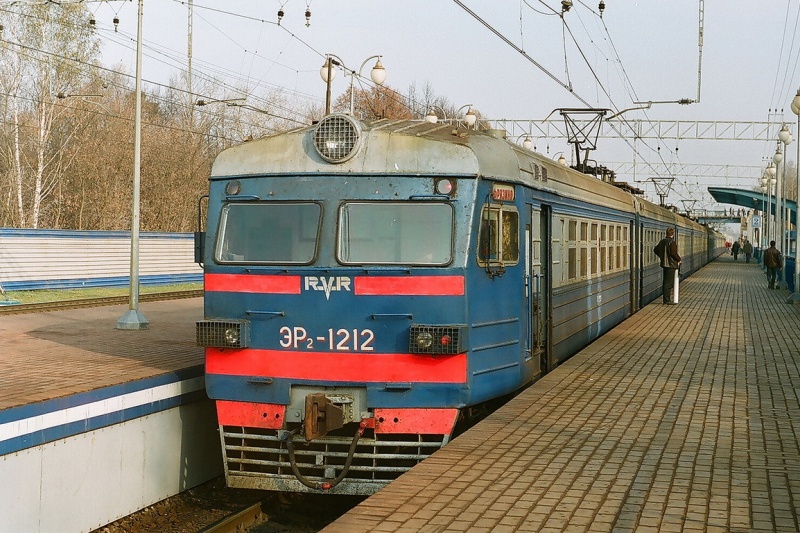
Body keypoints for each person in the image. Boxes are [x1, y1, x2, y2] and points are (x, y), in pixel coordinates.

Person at [654, 227, 682, 304]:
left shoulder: (662, 241)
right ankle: (667, 300)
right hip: (671, 265)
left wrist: (662, 257)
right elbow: (673, 253)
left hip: (665, 264)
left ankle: (666, 299)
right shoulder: (671, 242)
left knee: (666, 281)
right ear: (673, 234)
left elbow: (655, 250)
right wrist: (679, 259)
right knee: (668, 283)